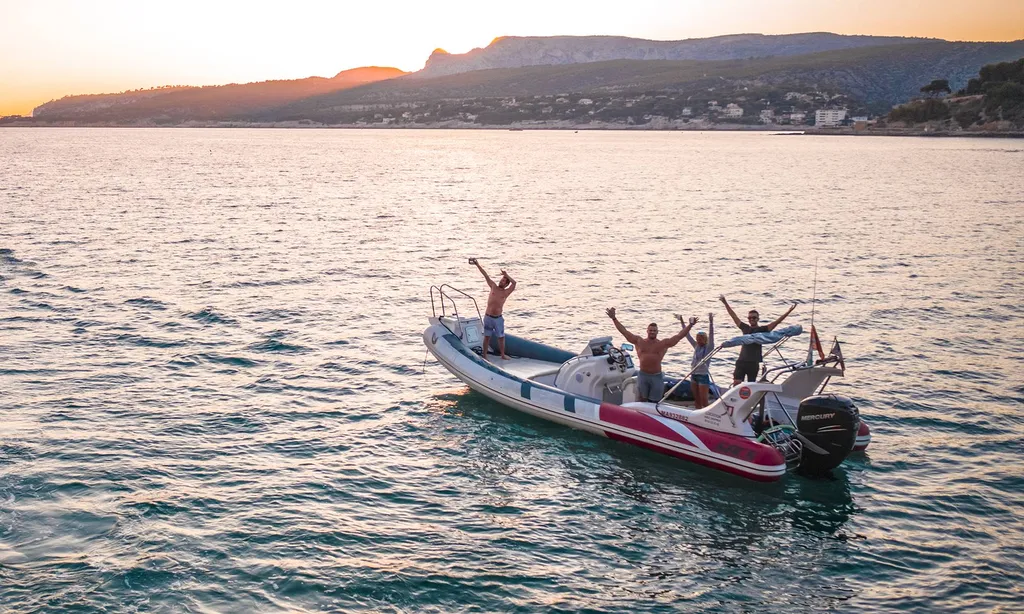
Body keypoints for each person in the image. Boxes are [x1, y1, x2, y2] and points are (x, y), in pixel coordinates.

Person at [606, 307, 697, 403]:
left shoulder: (663, 344)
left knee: (655, 401)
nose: (652, 332)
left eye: (654, 331)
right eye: (650, 330)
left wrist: (690, 325)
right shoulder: (639, 341)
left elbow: (679, 336)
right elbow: (624, 332)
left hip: (656, 376)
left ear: (657, 332)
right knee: (642, 399)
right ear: (647, 331)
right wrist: (614, 318)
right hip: (643, 375)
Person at [719, 295, 796, 385]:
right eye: (750, 318)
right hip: (742, 361)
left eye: (754, 318)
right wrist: (725, 303)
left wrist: (789, 311)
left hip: (753, 363)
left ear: (758, 319)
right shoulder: (745, 328)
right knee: (736, 384)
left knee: (751, 386)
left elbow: (776, 322)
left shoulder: (762, 330)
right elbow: (734, 317)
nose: (751, 319)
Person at [471, 258, 516, 361]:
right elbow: (485, 275)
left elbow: (514, 283)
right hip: (488, 317)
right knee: (487, 337)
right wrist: (477, 265)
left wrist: (507, 275)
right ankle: (485, 356)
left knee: (501, 337)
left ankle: (503, 355)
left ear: (506, 284)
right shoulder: (493, 286)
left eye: (504, 281)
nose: (501, 281)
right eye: (502, 279)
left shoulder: (506, 292)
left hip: (498, 318)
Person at [685, 312, 715, 409]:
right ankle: (697, 413)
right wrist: (682, 321)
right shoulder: (696, 346)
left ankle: (706, 415)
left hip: (703, 376)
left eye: (701, 338)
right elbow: (687, 335)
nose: (699, 340)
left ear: (705, 339)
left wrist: (711, 322)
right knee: (696, 399)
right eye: (698, 338)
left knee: (704, 400)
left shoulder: (709, 347)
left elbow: (711, 335)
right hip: (694, 375)